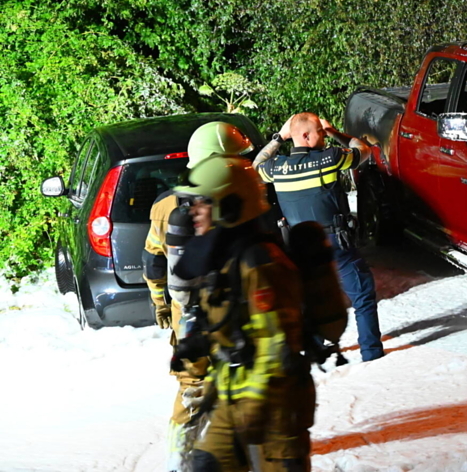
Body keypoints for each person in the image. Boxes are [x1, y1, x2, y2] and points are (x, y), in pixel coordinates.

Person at [174, 155, 312, 472]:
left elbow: (276, 345)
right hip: (233, 396)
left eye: (202, 202)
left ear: (229, 205)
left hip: (275, 406)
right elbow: (232, 323)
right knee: (206, 465)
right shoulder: (224, 258)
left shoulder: (262, 263)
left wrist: (254, 403)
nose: (192, 211)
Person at [142, 122, 253, 471]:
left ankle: (179, 457)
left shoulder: (166, 206)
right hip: (237, 309)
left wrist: (160, 302)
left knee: (192, 384)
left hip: (187, 314)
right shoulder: (243, 195)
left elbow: (152, 259)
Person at [253, 112, 385, 362]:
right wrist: (336, 132)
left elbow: (257, 165)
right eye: (320, 132)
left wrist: (279, 138)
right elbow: (363, 150)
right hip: (335, 242)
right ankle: (371, 352)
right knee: (362, 295)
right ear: (305, 136)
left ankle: (315, 351)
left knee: (310, 297)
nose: (324, 136)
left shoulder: (275, 168)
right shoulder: (330, 158)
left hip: (299, 247)